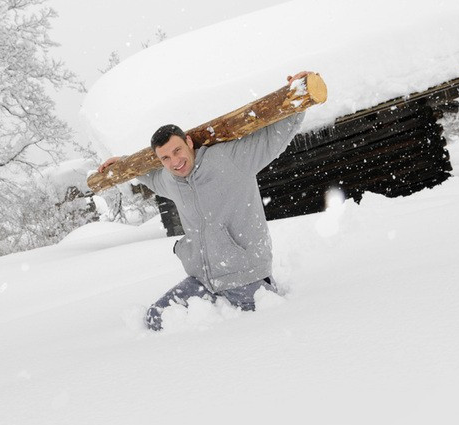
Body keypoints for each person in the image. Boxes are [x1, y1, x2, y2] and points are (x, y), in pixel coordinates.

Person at [99, 71, 310, 331]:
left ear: (189, 142)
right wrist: (124, 166)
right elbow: (149, 177)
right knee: (156, 318)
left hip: (245, 278)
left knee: (260, 333)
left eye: (177, 150)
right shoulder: (169, 179)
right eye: (165, 158)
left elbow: (273, 138)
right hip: (203, 280)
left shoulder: (229, 159)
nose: (174, 162)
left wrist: (297, 94)